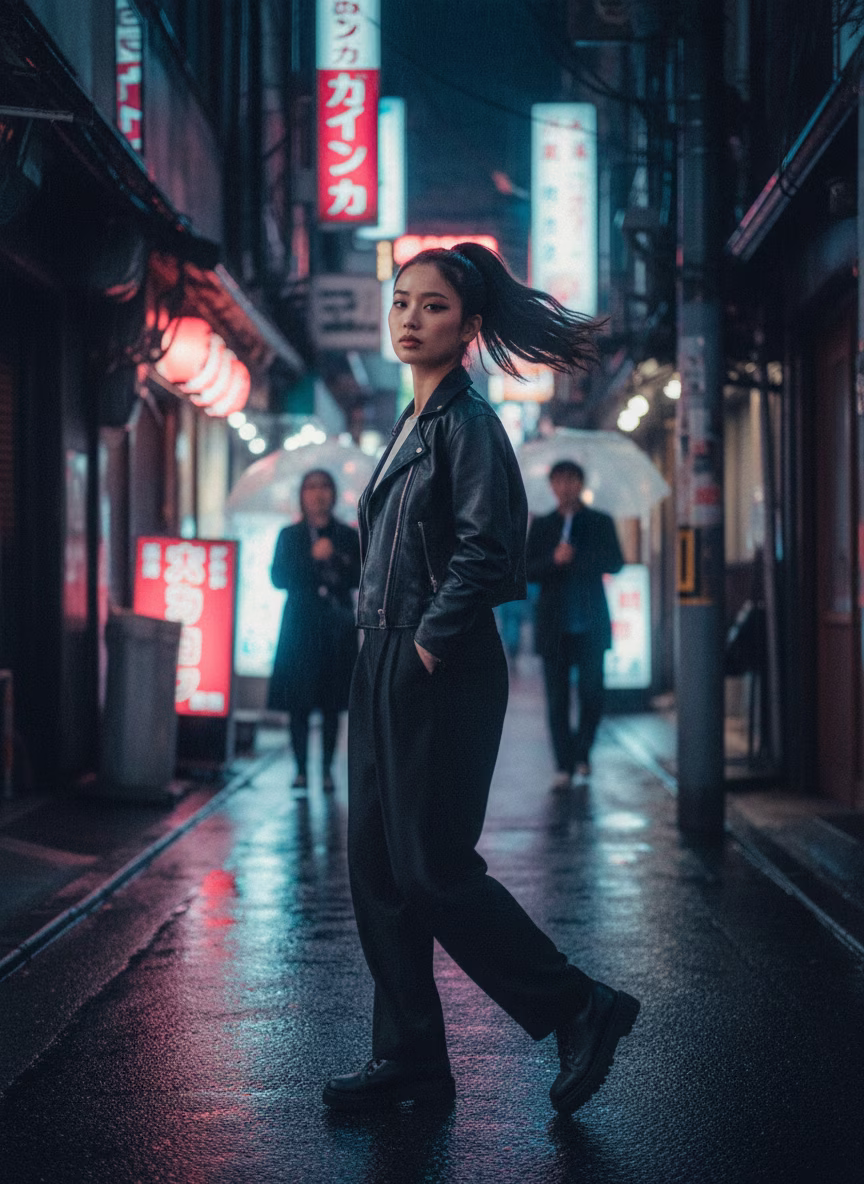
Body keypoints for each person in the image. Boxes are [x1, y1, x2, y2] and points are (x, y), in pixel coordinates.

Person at [322, 243, 640, 1115]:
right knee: (378, 871)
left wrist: (427, 643)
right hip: (381, 652)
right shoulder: (413, 423)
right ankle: (412, 1057)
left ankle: (579, 1006)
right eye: (400, 301)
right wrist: (386, 648)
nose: (408, 318)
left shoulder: (467, 424)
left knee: (431, 869)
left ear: (466, 328)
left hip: (440, 661)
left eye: (431, 306)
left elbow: (490, 549)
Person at [526, 460, 624, 789]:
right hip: (554, 626)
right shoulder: (542, 525)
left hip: (591, 622)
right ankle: (563, 764)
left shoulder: (599, 522)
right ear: (552, 486)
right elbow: (526, 570)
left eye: (571, 480)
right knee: (556, 698)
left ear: (581, 484)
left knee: (592, 692)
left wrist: (578, 557)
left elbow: (616, 561)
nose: (565, 487)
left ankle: (583, 753)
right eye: (559, 481)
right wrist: (554, 560)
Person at [268, 469, 360, 792]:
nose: (318, 494)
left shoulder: (347, 535)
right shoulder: (290, 535)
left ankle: (326, 770)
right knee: (299, 703)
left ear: (333, 494)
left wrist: (334, 557)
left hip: (336, 629)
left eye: (324, 487)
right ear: (302, 494)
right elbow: (278, 577)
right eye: (311, 487)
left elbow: (360, 577)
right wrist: (310, 557)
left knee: (333, 704)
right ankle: (300, 769)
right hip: (300, 627)